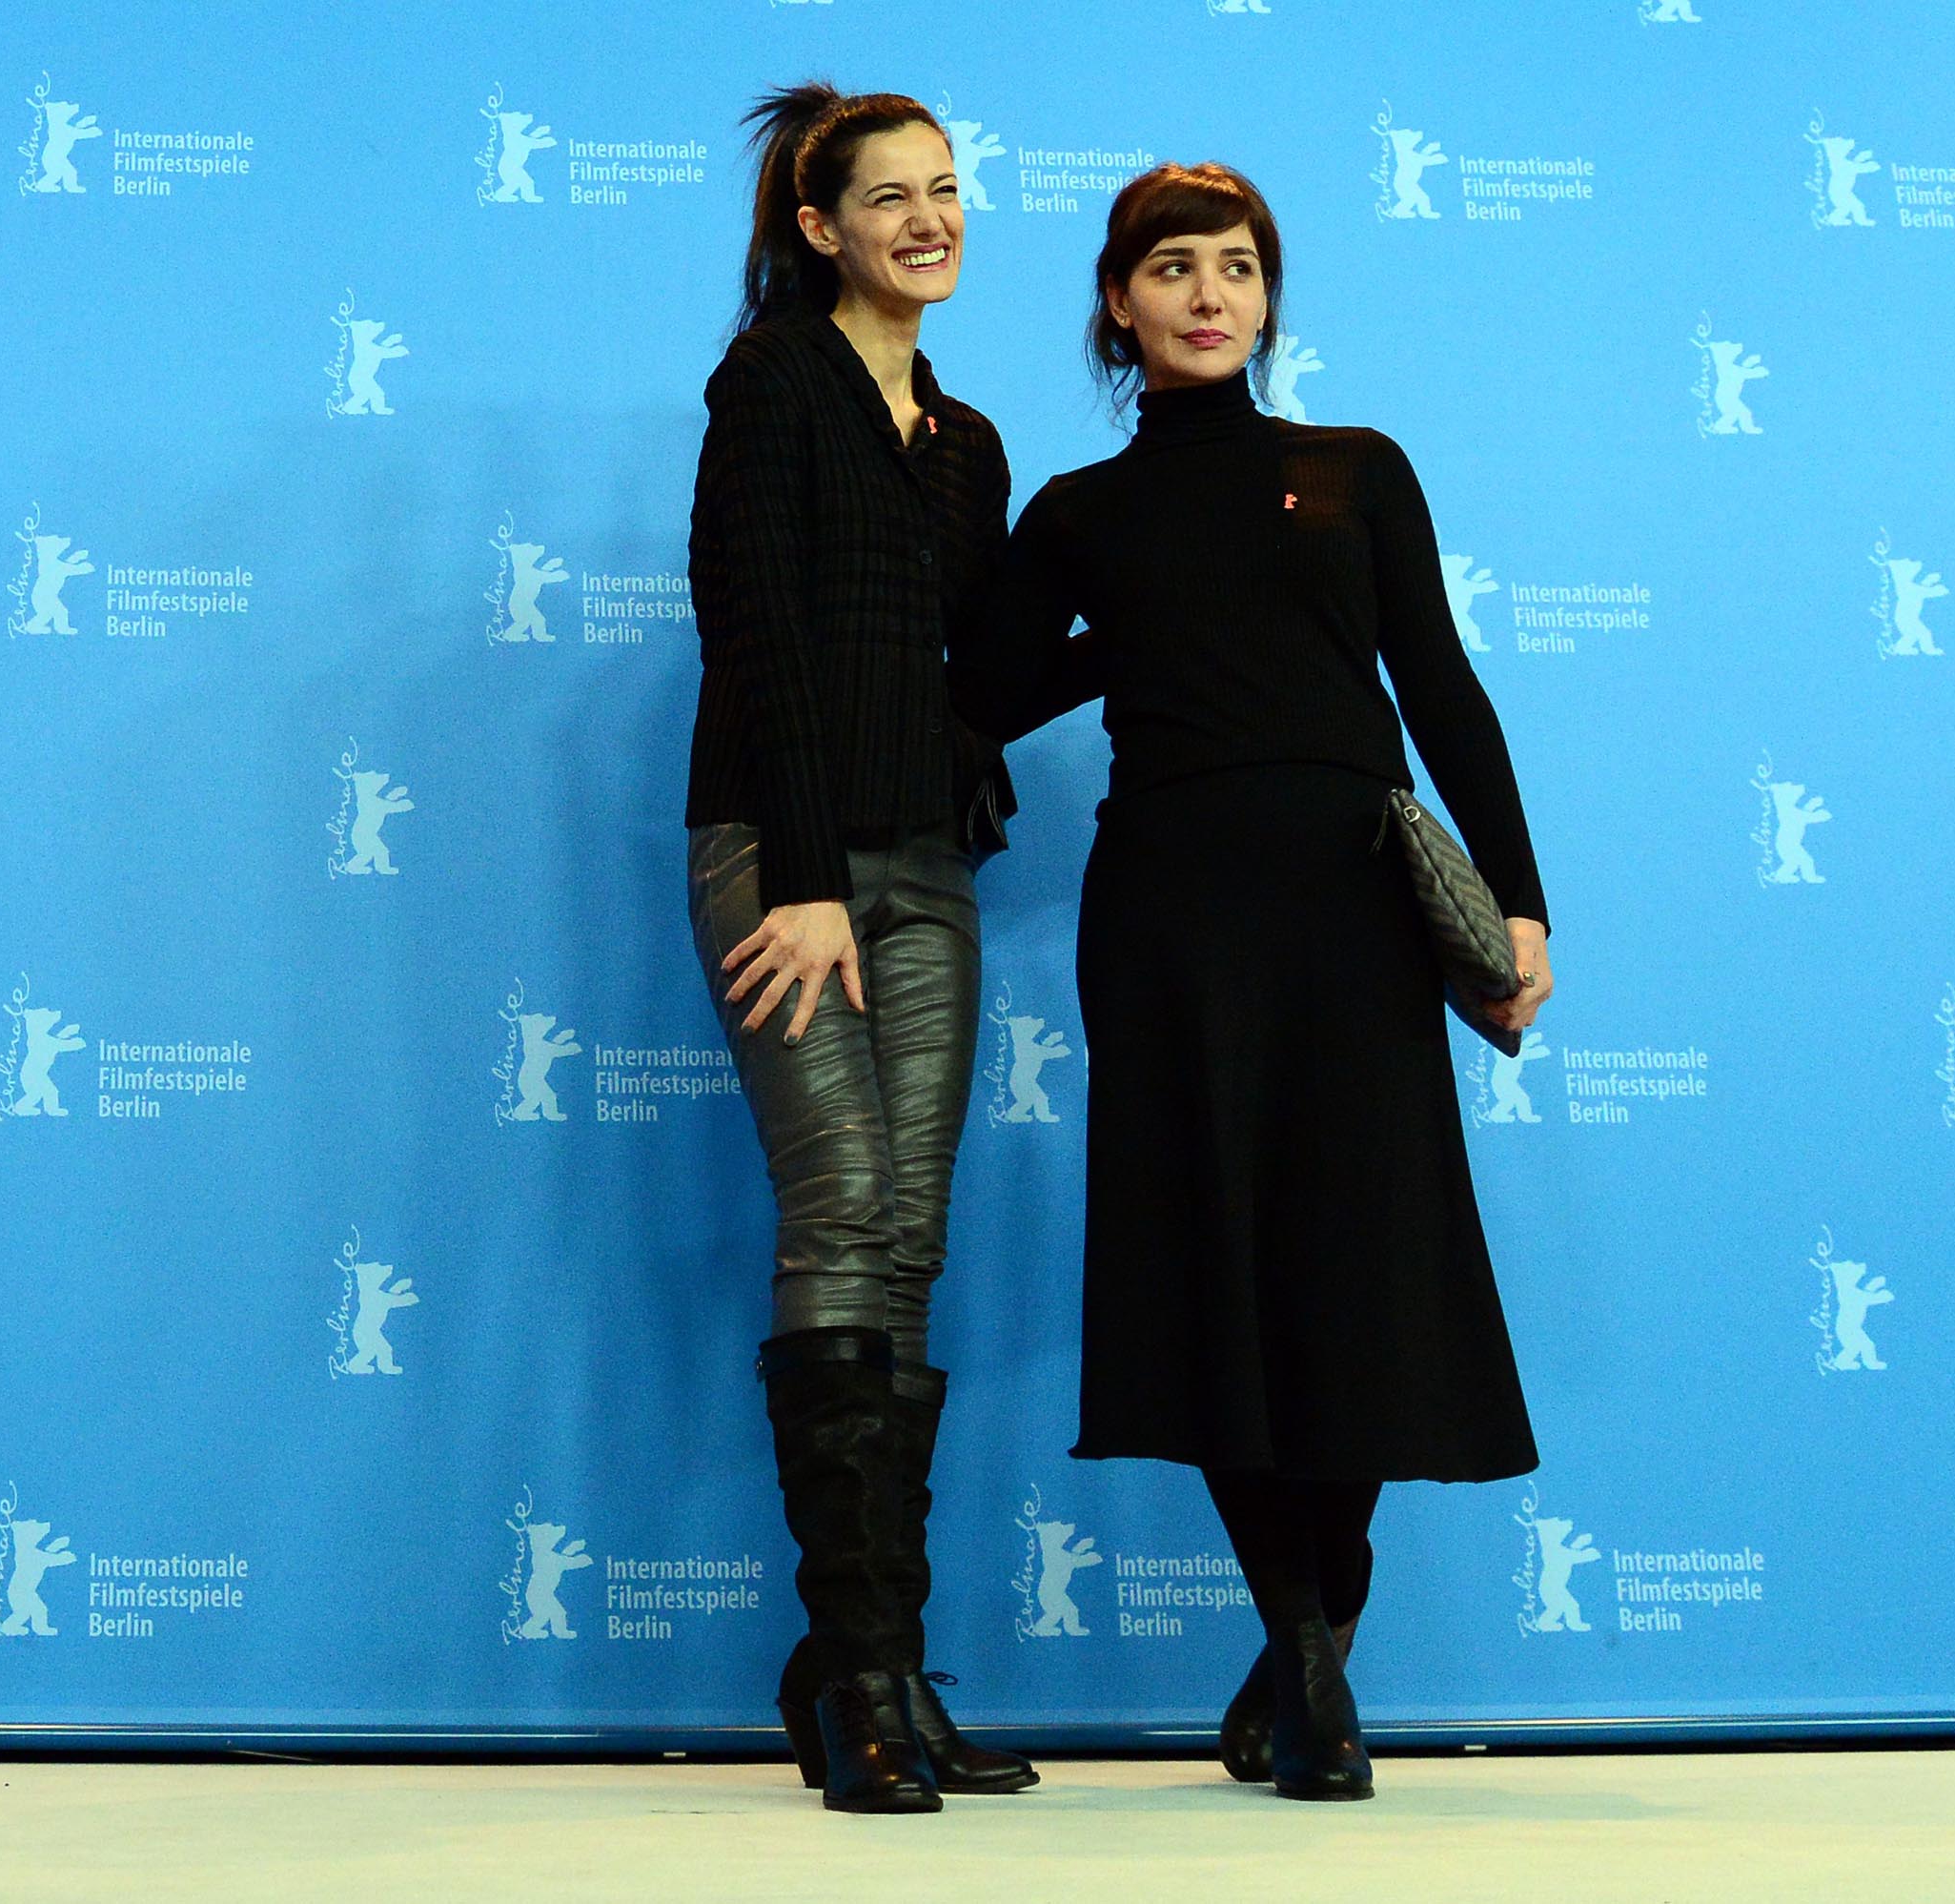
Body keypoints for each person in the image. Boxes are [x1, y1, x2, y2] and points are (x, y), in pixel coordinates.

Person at [955, 162, 1555, 1802]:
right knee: (1207, 1261)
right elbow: (985, 690)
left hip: (1353, 905)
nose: (1208, 293)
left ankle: (1318, 1623)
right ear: (1119, 303)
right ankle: (1302, 1650)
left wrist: (1519, 899)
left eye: (1236, 266)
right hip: (1171, 913)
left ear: (1269, 297)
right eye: (1172, 268)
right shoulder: (1080, 512)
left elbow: (1440, 683)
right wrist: (1134, 630)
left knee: (1356, 1262)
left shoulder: (1358, 468)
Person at [684, 82, 1068, 1814]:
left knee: (907, 1239)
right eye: (890, 197)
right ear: (819, 227)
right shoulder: (773, 381)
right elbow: (755, 630)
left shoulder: (967, 441)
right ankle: (854, 1675)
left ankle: (882, 1663)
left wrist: (1164, 613)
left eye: (948, 189)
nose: (930, 219)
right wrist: (805, 871)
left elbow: (972, 672)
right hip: (788, 860)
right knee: (843, 1208)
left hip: (930, 864)